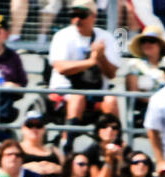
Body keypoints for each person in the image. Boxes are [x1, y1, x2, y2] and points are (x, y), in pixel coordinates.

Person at [47, 0, 120, 131]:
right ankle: (67, 144)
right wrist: (90, 62)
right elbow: (60, 68)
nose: (77, 19)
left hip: (96, 93)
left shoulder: (106, 37)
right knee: (77, 97)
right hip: (64, 91)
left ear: (93, 16)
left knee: (111, 100)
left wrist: (101, 57)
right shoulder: (62, 36)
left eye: (82, 15)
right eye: (73, 15)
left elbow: (112, 74)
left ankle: (114, 145)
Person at [19, 111, 63, 177]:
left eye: (38, 125)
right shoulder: (16, 148)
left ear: (44, 129)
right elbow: (5, 169)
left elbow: (69, 172)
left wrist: (57, 168)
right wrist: (27, 168)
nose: (34, 129)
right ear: (23, 128)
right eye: (30, 125)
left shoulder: (54, 150)